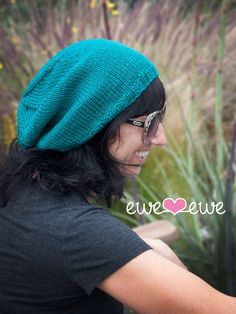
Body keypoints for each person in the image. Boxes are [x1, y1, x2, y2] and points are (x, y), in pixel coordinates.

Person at [0, 38, 235, 314]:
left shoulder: (20, 191)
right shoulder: (78, 233)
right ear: (93, 126)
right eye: (149, 122)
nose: (161, 138)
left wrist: (138, 250)